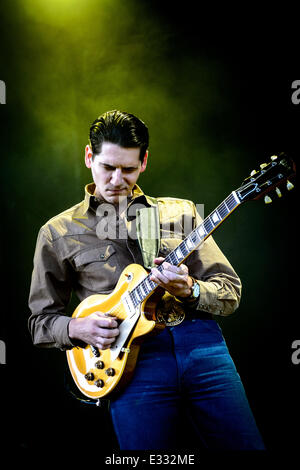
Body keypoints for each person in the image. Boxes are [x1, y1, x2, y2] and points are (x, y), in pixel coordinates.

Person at [28, 110, 265, 451]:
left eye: (128, 168)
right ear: (88, 157)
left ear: (144, 162)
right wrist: (78, 329)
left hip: (203, 348)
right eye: (108, 167)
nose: (116, 179)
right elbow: (39, 322)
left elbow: (229, 290)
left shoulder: (180, 212)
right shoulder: (58, 232)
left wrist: (192, 290)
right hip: (132, 364)